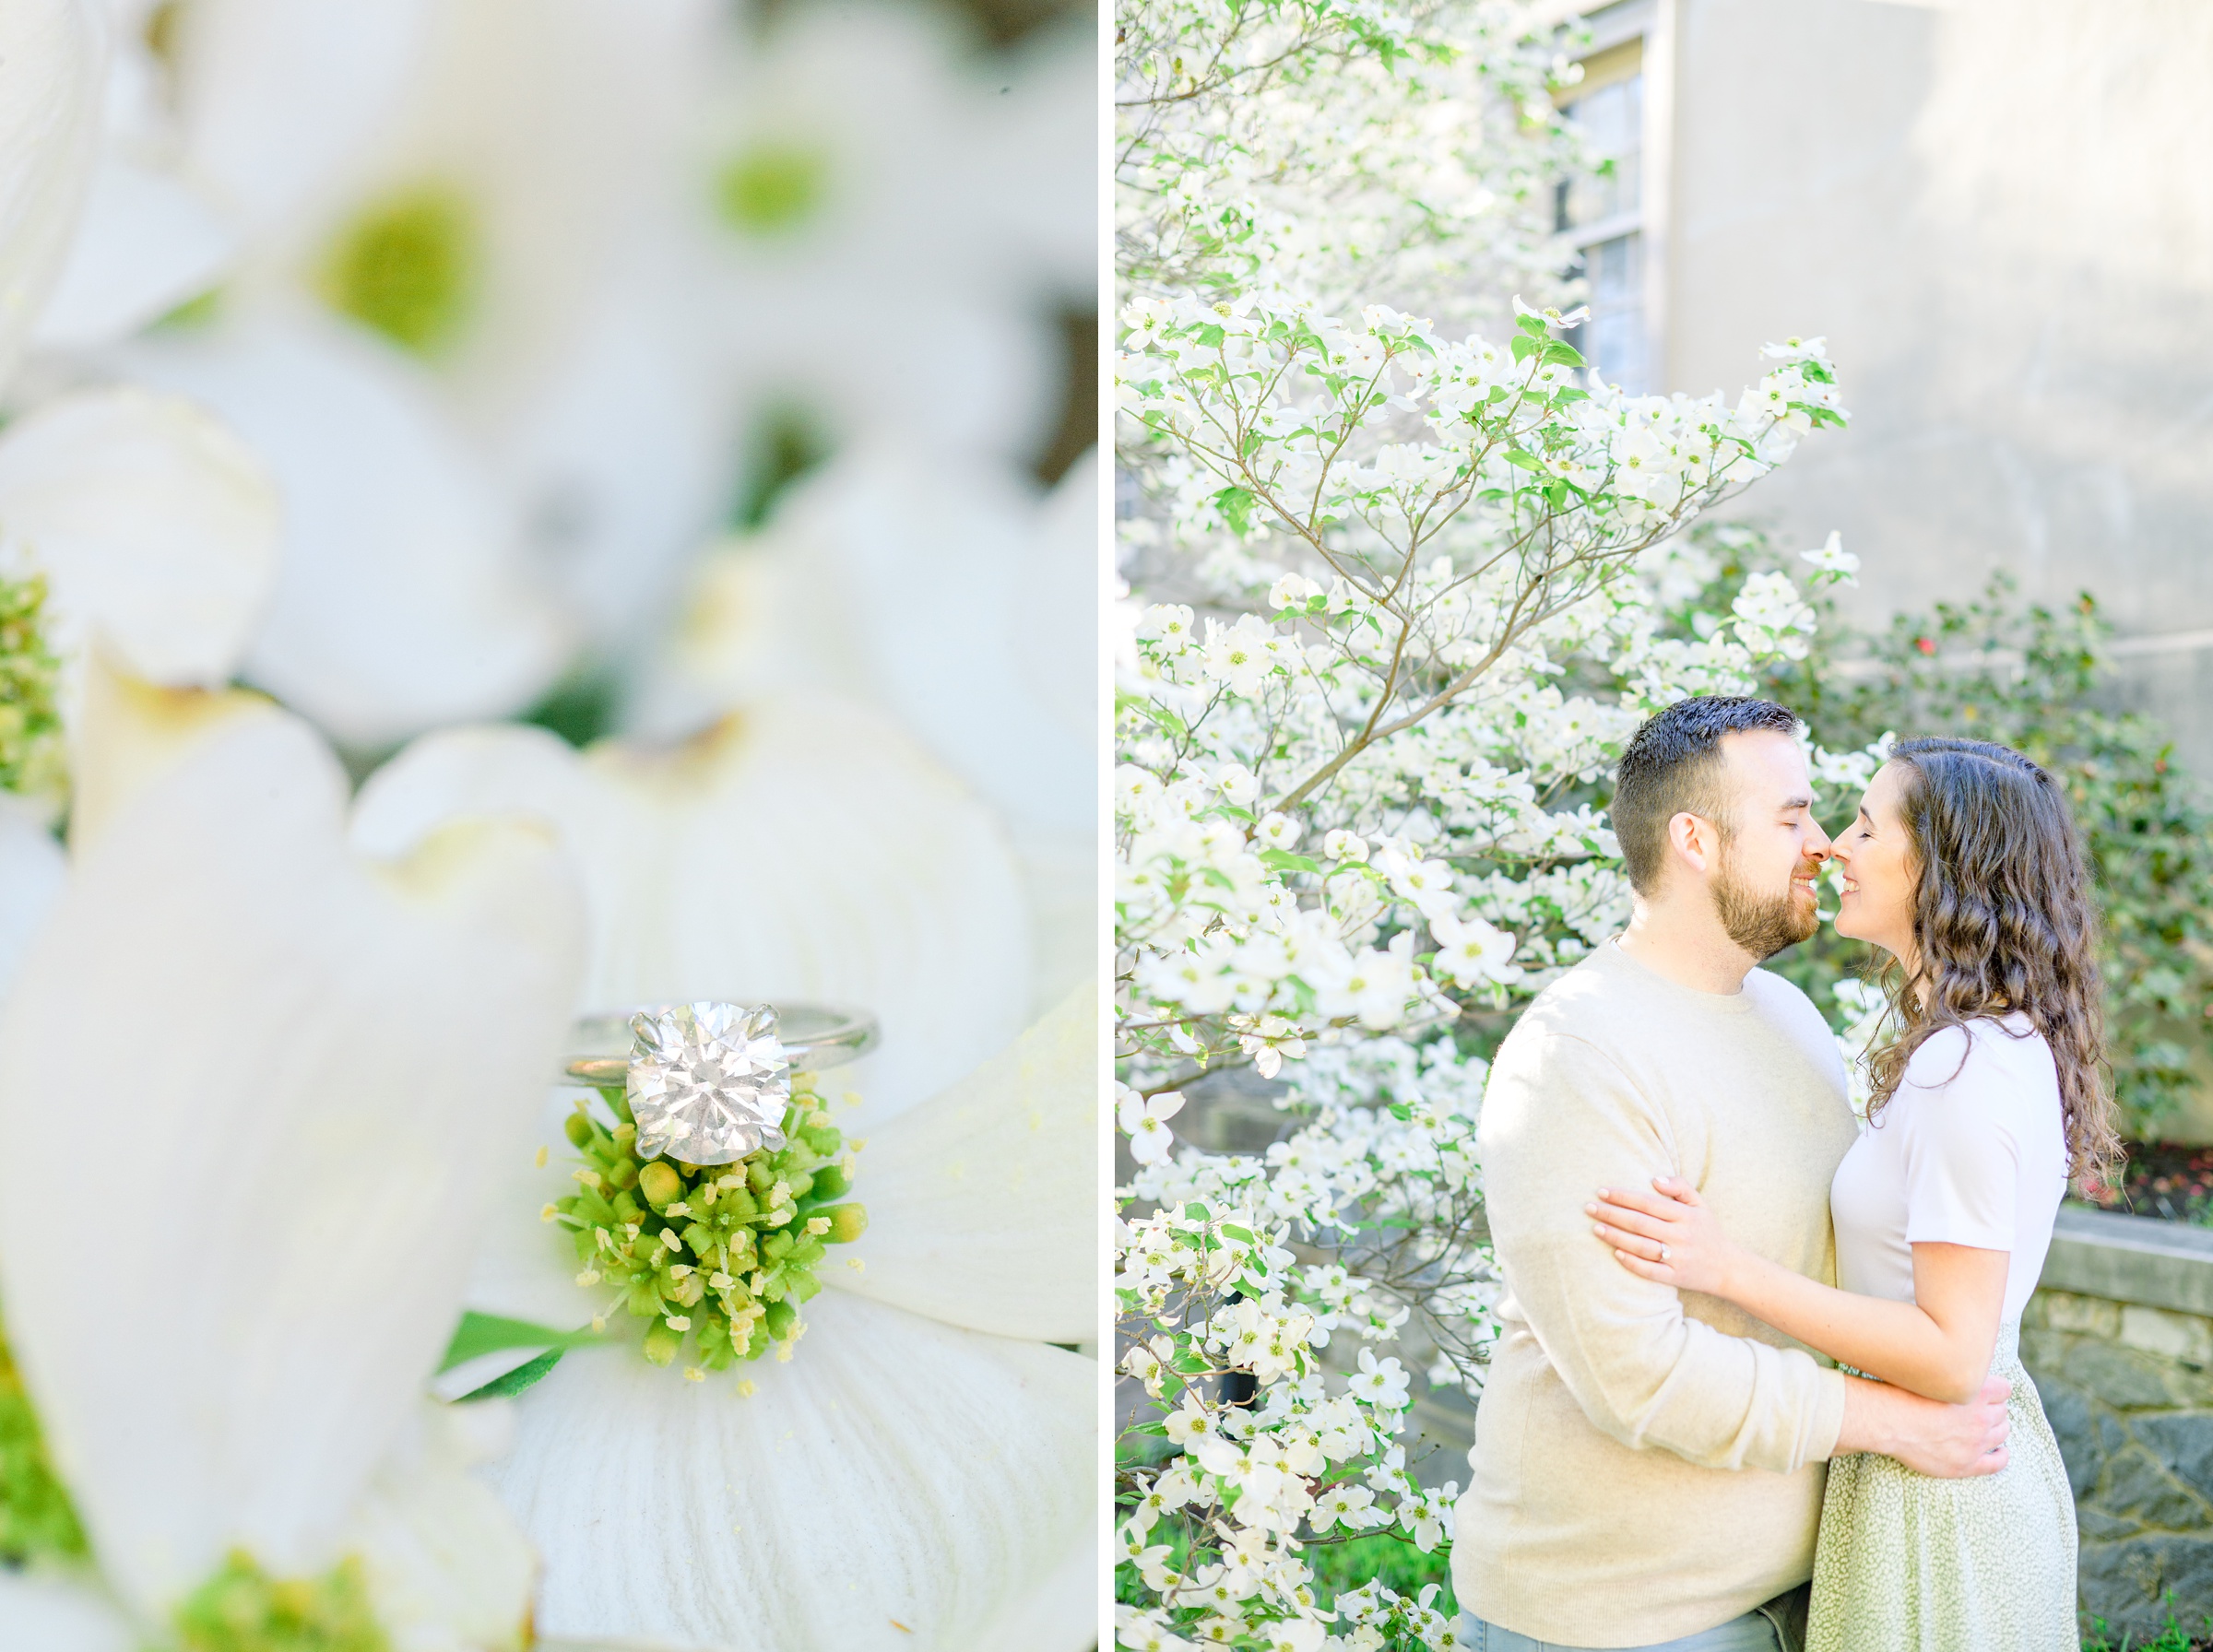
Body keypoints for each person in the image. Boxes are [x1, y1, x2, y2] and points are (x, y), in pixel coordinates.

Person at [1452, 698, 2015, 1652]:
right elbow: (1641, 1376)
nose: (1824, 844)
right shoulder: (1579, 1053)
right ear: (1695, 841)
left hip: (1809, 1594)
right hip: (1628, 1619)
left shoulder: (1788, 1014)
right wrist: (1894, 1422)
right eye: (1792, 816)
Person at [1591, 737, 2097, 1649]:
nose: (1832, 847)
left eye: (1866, 827)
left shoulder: (1967, 1067)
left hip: (1934, 1490)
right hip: (1930, 1462)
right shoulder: (1970, 1042)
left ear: (1943, 864)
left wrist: (1723, 1267)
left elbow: (1950, 1353)